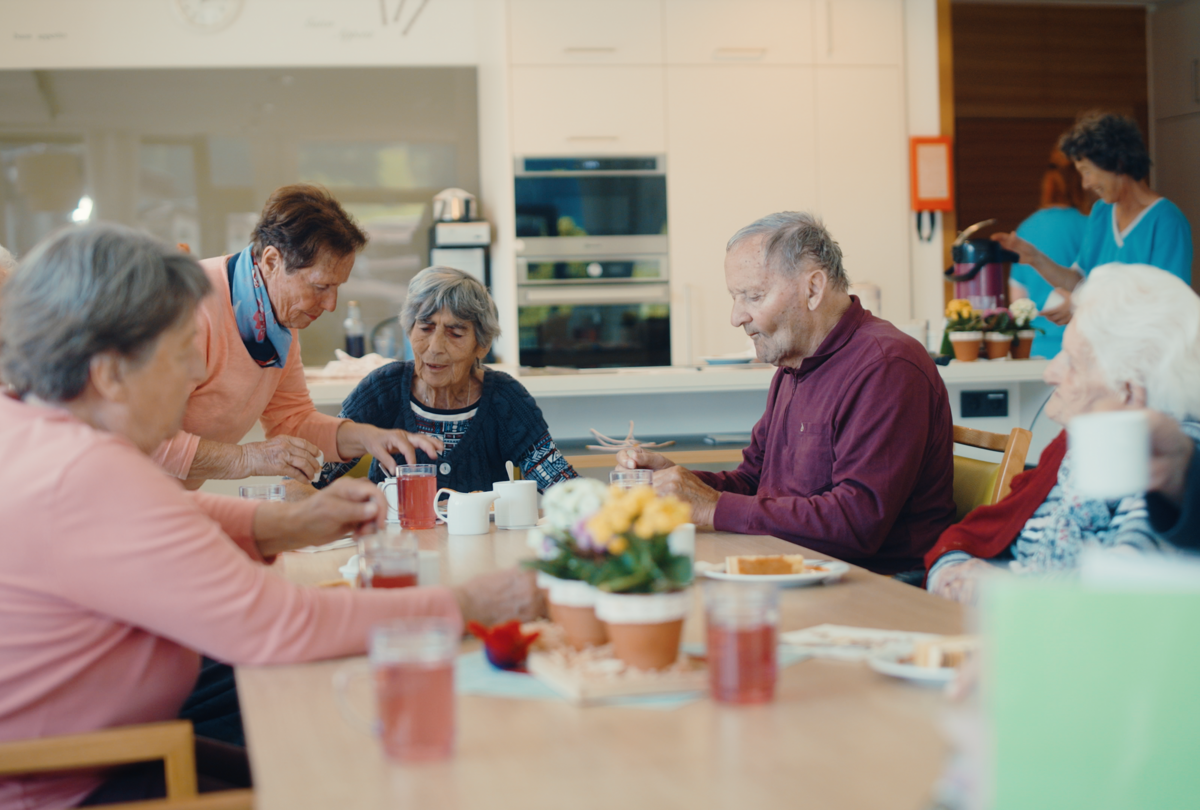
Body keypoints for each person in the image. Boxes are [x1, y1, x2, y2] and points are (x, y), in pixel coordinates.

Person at [0, 225, 541, 809]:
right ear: (108, 372)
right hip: (81, 783)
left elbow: (160, 513)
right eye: (181, 351)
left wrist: (276, 526)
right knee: (336, 762)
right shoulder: (85, 471)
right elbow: (281, 624)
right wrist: (467, 606)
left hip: (104, 753)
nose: (191, 377)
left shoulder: (37, 431)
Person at [616, 212, 956, 577]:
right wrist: (684, 483)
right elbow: (752, 482)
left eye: (753, 296)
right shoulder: (793, 367)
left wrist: (711, 505)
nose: (736, 317)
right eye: (735, 297)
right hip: (798, 566)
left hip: (879, 584)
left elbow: (857, 525)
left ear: (812, 289)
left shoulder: (887, 366)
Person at [926, 263, 1200, 604]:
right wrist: (950, 573)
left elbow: (1120, 602)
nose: (1051, 373)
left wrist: (1000, 591)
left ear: (1130, 392)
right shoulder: (1074, 446)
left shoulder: (1156, 462)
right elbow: (979, 536)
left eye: (1071, 360)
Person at [151, 184, 441, 489]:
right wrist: (247, 458)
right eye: (320, 287)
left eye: (337, 288)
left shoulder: (276, 319)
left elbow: (293, 420)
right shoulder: (187, 305)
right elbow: (145, 438)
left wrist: (371, 438)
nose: (331, 305)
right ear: (272, 262)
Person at [316, 266, 579, 493]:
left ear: (482, 345)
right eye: (426, 328)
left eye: (455, 333)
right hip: (396, 549)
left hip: (480, 549)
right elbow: (314, 473)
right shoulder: (383, 389)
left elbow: (560, 484)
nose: (435, 347)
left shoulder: (505, 397)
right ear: (409, 330)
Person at [994, 112, 1193, 325]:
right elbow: (1079, 282)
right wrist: (1035, 258)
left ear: (1117, 163)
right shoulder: (1101, 213)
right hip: (1100, 353)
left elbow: (1167, 304)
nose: (1085, 184)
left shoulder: (1166, 221)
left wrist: (1081, 306)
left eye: (1087, 172)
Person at [1007, 150, 1091, 358]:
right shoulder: (1090, 226)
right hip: (1080, 345)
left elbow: (1018, 300)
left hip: (1034, 347)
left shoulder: (1025, 230)